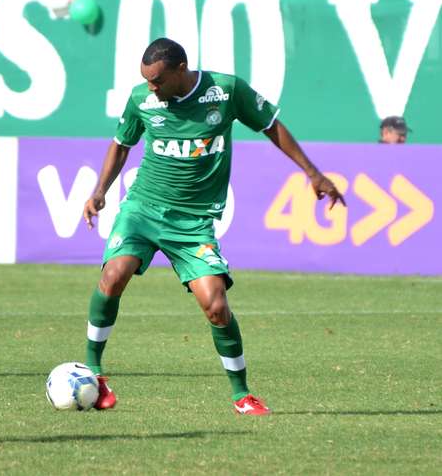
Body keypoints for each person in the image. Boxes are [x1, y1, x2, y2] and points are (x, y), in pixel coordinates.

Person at [82, 38, 346, 415]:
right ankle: (94, 370)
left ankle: (242, 394)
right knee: (113, 275)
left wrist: (313, 173)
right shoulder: (141, 99)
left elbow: (272, 126)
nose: (151, 88)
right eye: (146, 80)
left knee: (216, 306)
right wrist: (100, 191)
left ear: (180, 69)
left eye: (157, 80)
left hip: (193, 221)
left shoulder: (225, 90)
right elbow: (121, 144)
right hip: (143, 208)